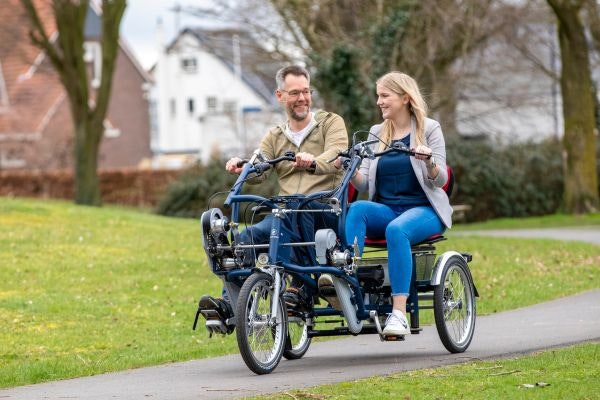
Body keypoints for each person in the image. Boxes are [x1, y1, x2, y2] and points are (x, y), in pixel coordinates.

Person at [198, 65, 348, 328]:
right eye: (294, 93)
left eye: (306, 91)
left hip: (324, 212)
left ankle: (301, 290)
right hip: (287, 213)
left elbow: (337, 154)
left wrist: (313, 161)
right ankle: (229, 304)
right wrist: (244, 167)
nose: (302, 98)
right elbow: (261, 167)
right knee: (245, 239)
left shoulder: (330, 123)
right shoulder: (276, 135)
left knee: (298, 209)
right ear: (280, 96)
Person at [333, 71, 452, 336]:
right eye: (378, 96)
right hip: (387, 209)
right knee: (358, 209)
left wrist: (429, 161)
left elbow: (440, 179)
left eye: (385, 96)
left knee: (397, 230)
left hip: (424, 210)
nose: (379, 102)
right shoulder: (376, 133)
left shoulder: (429, 129)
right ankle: (348, 284)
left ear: (405, 98)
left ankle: (399, 314)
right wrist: (348, 168)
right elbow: (364, 184)